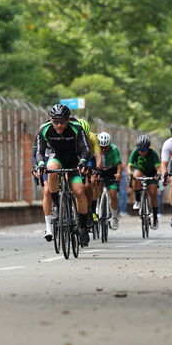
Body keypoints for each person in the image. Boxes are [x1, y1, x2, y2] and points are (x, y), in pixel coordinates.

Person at [34, 104, 91, 246]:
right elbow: (39, 152)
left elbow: (85, 149)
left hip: (74, 161)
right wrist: (40, 164)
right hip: (57, 158)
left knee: (79, 191)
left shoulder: (76, 128)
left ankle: (83, 227)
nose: (59, 125)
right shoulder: (44, 129)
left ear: (68, 120)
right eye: (55, 121)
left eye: (62, 122)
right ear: (50, 120)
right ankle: (57, 205)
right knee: (50, 167)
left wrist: (83, 161)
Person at [128, 135, 160, 230]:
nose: (142, 152)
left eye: (145, 150)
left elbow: (158, 167)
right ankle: (138, 200)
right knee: (136, 175)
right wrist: (130, 174)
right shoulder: (134, 152)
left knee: (153, 193)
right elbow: (129, 167)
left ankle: (154, 216)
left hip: (152, 173)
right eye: (140, 150)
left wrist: (158, 174)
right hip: (140, 171)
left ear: (148, 148)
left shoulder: (153, 153)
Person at [76, 119, 102, 229]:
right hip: (76, 157)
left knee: (90, 183)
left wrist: (97, 170)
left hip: (89, 158)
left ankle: (91, 209)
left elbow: (98, 156)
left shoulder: (92, 137)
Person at [96, 132, 123, 230]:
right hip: (99, 171)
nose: (103, 149)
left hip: (111, 172)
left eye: (105, 147)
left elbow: (119, 164)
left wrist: (119, 173)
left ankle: (114, 216)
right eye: (101, 147)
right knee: (96, 186)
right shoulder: (94, 149)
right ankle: (97, 206)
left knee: (113, 194)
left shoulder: (114, 149)